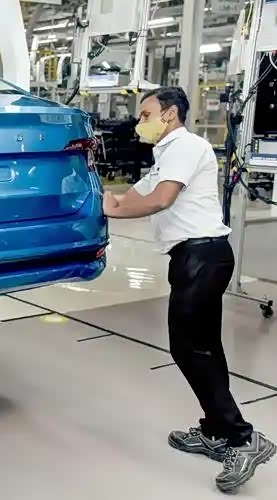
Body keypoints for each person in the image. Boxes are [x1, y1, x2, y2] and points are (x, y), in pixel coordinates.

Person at [102, 87, 275, 493]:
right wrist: (99, 199)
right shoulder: (165, 155)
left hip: (202, 256)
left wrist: (113, 209)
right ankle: (215, 431)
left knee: (188, 348)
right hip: (196, 258)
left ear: (170, 114)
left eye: (146, 115)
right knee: (204, 348)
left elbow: (160, 200)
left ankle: (243, 439)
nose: (140, 122)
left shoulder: (184, 146)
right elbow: (130, 198)